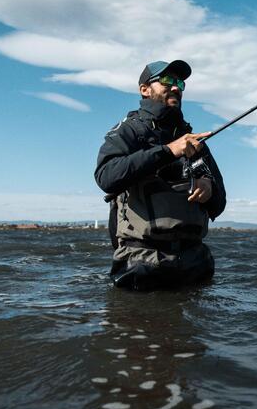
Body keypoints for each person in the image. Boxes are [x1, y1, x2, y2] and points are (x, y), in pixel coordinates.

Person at [95, 60, 227, 291]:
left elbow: (219, 204)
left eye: (180, 83)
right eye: (167, 80)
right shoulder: (129, 130)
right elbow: (107, 176)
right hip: (141, 262)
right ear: (144, 89)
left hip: (196, 263)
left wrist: (209, 188)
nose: (176, 87)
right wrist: (168, 151)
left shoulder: (193, 140)